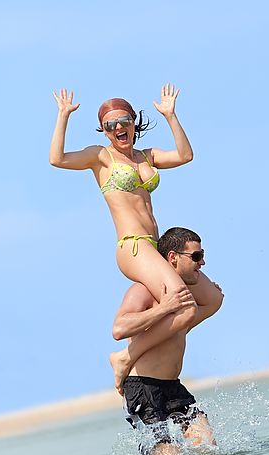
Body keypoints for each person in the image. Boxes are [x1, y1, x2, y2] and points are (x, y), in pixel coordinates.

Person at [50, 84, 222, 393]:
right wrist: (63, 116)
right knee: (184, 307)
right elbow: (57, 158)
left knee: (211, 300)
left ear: (134, 123)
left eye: (124, 122)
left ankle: (159, 336)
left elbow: (185, 155)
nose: (118, 128)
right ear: (104, 131)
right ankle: (125, 357)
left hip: (155, 247)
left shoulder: (147, 156)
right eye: (110, 125)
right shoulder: (100, 157)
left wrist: (170, 115)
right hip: (133, 246)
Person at [112, 227, 223, 455]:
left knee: (209, 449)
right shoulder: (142, 290)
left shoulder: (186, 301)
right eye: (196, 256)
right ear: (172, 258)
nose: (202, 263)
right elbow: (119, 328)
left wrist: (212, 297)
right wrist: (164, 308)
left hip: (173, 388)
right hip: (142, 389)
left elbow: (201, 311)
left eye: (202, 255)